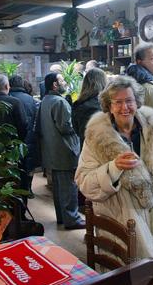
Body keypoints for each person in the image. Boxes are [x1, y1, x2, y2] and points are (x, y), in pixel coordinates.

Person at [75, 75, 153, 270]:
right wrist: (113, 168)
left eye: (129, 101)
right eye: (118, 102)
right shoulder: (96, 139)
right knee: (134, 280)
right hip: (123, 223)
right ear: (109, 106)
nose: (125, 107)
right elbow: (84, 182)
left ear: (137, 102)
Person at [39, 72, 85, 230]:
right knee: (69, 187)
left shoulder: (45, 100)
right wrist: (79, 124)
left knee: (59, 188)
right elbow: (66, 127)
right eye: (62, 80)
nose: (65, 82)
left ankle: (62, 217)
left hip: (52, 150)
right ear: (55, 85)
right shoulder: (59, 102)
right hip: (65, 150)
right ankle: (72, 219)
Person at [9, 74, 39, 198]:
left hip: (13, 138)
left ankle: (16, 190)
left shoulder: (8, 98)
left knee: (15, 165)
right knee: (29, 165)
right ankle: (28, 189)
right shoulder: (30, 99)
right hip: (30, 137)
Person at [72, 68, 108, 148]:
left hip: (85, 149)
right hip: (102, 150)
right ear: (103, 82)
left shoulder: (78, 104)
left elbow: (76, 130)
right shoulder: (103, 105)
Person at [0, 74, 28, 141]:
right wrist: (19, 140)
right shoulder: (15, 102)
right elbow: (23, 124)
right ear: (7, 86)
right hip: (12, 142)